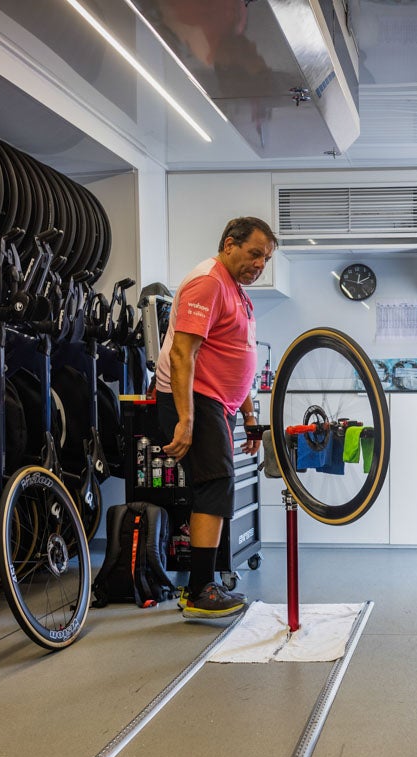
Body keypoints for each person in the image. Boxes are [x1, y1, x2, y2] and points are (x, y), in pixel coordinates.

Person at [152, 216, 276, 617]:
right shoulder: (208, 281)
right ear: (229, 245)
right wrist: (185, 419)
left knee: (217, 483)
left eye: (266, 259)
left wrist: (250, 417)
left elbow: (236, 358)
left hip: (216, 403)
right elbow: (181, 353)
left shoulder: (236, 290)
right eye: (255, 253)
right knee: (216, 481)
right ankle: (200, 590)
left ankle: (201, 587)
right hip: (190, 399)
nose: (259, 264)